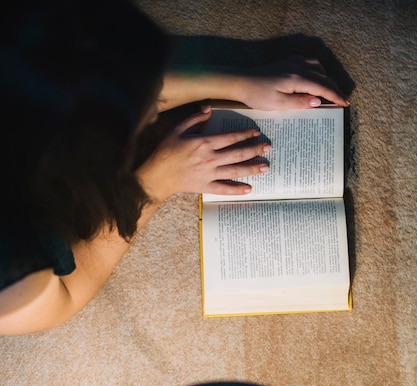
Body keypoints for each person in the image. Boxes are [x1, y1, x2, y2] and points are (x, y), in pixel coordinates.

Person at [0, 0, 349, 336]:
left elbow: (78, 80)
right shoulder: (11, 271)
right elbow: (65, 297)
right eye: (144, 112)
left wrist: (240, 82)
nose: (155, 114)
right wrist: (156, 181)